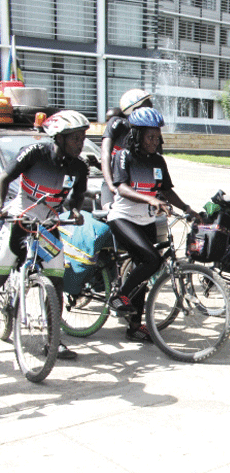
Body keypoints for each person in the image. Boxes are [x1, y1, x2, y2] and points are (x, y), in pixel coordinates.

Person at [0, 110, 89, 360]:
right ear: (59, 138)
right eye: (75, 139)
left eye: (82, 138)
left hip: (48, 224)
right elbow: (5, 178)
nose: (80, 144)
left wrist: (75, 211)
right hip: (21, 216)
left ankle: (54, 339)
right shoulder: (35, 153)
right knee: (3, 265)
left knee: (56, 277)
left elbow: (77, 198)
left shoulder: (80, 167)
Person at [107, 107, 200, 343]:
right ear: (137, 136)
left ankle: (135, 327)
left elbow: (167, 191)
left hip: (147, 220)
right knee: (152, 259)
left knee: (144, 272)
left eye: (157, 137)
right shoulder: (124, 156)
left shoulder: (158, 161)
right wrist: (150, 198)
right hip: (123, 218)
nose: (154, 141)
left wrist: (187, 209)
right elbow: (121, 187)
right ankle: (120, 296)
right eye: (150, 137)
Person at [100, 89, 152, 210]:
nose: (152, 108)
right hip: (114, 182)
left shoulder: (150, 132)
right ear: (133, 108)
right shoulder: (118, 124)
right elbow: (105, 153)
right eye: (147, 105)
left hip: (136, 186)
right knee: (111, 212)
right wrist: (110, 184)